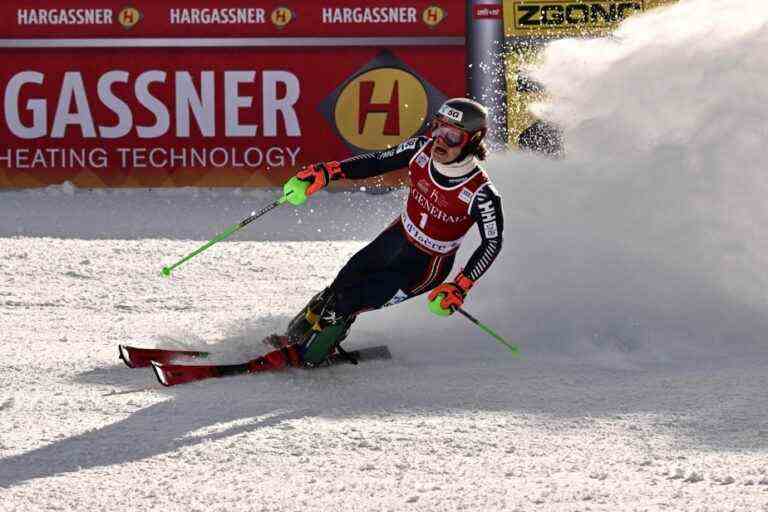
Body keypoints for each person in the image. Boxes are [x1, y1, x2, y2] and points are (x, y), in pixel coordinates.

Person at [263, 98, 505, 368]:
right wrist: (329, 172)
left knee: (349, 301)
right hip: (396, 238)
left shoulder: (481, 193)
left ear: (474, 139)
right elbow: (377, 162)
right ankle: (295, 336)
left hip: (424, 267)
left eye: (451, 136)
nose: (439, 141)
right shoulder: (419, 149)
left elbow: (492, 241)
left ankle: (310, 355)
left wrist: (461, 284)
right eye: (437, 129)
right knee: (341, 284)